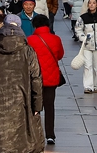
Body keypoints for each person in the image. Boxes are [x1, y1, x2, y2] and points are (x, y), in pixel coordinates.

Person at [0, 19, 42, 153]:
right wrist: (37, 106)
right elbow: (36, 79)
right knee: (23, 144)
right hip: (22, 105)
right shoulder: (28, 51)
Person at [26, 15, 63, 145]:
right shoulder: (56, 39)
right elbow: (60, 55)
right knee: (49, 107)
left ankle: (34, 134)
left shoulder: (30, 40)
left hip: (34, 78)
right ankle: (50, 135)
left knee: (34, 106)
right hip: (51, 79)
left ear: (35, 25)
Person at [75, 0, 97, 93]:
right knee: (88, 66)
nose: (91, 5)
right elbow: (78, 29)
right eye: (90, 3)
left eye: (94, 3)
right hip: (87, 45)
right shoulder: (83, 17)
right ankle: (88, 86)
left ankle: (95, 85)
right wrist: (83, 38)